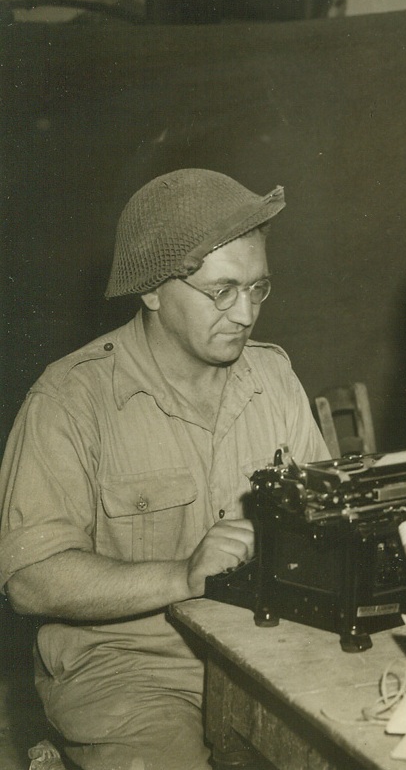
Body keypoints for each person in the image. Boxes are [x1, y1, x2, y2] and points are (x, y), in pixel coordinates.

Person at [0, 169, 329, 769]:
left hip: (262, 650)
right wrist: (183, 575)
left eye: (258, 288)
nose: (245, 313)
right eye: (222, 290)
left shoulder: (273, 379)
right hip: (128, 668)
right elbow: (30, 580)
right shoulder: (71, 400)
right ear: (151, 291)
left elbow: (324, 519)